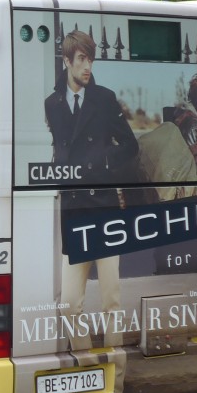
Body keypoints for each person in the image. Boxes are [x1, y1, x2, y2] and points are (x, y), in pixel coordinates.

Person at [44, 30, 139, 349]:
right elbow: (59, 149)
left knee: (111, 301)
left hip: (105, 211)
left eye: (91, 59)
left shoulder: (104, 98)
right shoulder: (52, 104)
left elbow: (129, 144)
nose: (88, 66)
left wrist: (101, 161)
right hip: (74, 211)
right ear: (67, 61)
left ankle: (117, 375)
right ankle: (87, 364)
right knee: (69, 304)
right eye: (82, 59)